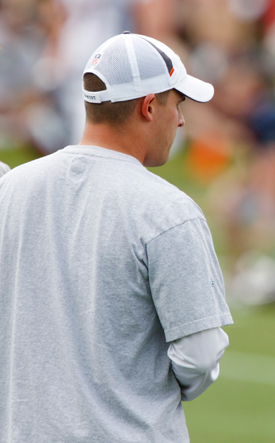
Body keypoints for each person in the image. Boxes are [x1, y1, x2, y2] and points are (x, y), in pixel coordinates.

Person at [0, 32, 232, 442]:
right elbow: (200, 354)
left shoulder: (13, 188)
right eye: (177, 104)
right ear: (148, 107)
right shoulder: (166, 209)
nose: (180, 119)